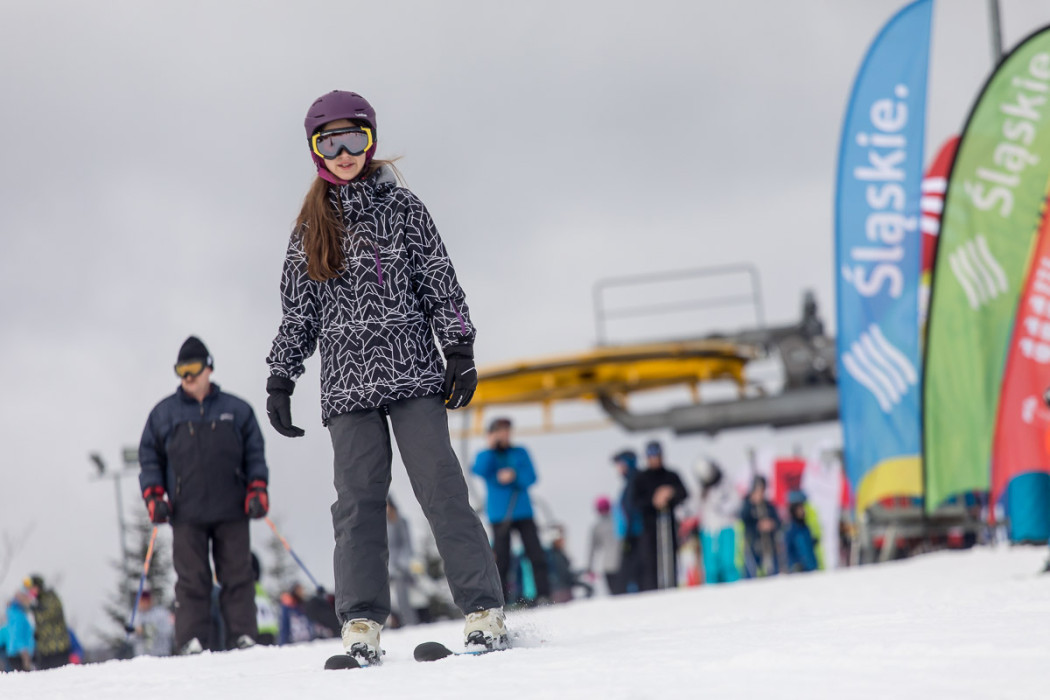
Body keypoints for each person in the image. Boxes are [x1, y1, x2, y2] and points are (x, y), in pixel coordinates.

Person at [265, 90, 505, 664]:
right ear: (316, 150)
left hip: (413, 376)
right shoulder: (308, 228)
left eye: (356, 140)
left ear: (370, 143)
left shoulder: (403, 209)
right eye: (332, 143)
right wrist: (281, 378)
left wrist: (460, 347)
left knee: (441, 488)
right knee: (357, 504)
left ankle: (482, 610)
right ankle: (362, 623)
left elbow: (438, 280)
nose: (346, 153)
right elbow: (299, 314)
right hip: (347, 387)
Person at [138, 335, 269, 654]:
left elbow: (254, 453)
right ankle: (192, 641)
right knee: (191, 580)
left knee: (238, 575)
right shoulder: (163, 414)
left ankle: (243, 636)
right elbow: (150, 457)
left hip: (232, 508)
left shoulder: (237, 410)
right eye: (181, 370)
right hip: (187, 512)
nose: (188, 377)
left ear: (209, 368)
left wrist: (257, 488)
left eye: (193, 368)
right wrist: (154, 497)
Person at [473, 417, 551, 606]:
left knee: (535, 554)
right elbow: (478, 469)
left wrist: (514, 476)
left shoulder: (520, 452)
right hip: (500, 515)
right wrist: (491, 447)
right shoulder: (486, 455)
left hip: (523, 511)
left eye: (507, 430)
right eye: (500, 430)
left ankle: (544, 595)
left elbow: (531, 477)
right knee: (502, 558)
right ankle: (503, 600)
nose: (505, 434)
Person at [631, 441, 688, 591]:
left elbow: (684, 493)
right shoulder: (640, 478)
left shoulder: (671, 476)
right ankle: (654, 599)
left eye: (657, 456)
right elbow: (635, 502)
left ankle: (673, 590)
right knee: (650, 565)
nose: (655, 459)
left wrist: (670, 493)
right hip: (649, 529)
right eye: (651, 456)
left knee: (671, 563)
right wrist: (653, 500)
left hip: (669, 527)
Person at [693, 457, 742, 585]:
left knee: (728, 564)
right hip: (709, 531)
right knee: (711, 568)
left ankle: (733, 589)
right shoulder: (702, 490)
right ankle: (712, 594)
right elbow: (694, 507)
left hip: (725, 527)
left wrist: (722, 506)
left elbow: (736, 501)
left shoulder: (725, 483)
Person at [611, 449, 645, 594]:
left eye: (620, 464)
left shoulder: (635, 481)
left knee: (633, 575)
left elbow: (633, 510)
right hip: (631, 535)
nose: (618, 469)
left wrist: (629, 535)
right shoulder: (629, 483)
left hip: (636, 535)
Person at [741, 475, 781, 577]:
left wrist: (771, 524)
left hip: (768, 546)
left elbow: (778, 521)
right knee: (751, 574)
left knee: (772, 573)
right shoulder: (747, 505)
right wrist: (758, 526)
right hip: (753, 546)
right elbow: (744, 520)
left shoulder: (768, 506)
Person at [28, 574, 71, 669]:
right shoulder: (38, 601)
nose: (31, 591)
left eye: (33, 588)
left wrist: (37, 609)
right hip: (45, 651)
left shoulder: (50, 597)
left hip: (58, 648)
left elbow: (51, 615)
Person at [386, 499, 418, 627]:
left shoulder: (400, 522)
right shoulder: (382, 524)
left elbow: (407, 545)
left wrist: (401, 564)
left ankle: (410, 623)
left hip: (400, 568)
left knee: (403, 599)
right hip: (388, 567)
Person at [586, 496, 622, 595]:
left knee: (616, 596)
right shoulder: (619, 521)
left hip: (608, 566)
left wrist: (589, 568)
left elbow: (592, 549)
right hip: (622, 563)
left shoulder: (597, 527)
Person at [784, 491, 822, 573]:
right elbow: (788, 552)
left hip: (812, 569)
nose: (803, 511)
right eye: (799, 508)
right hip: (800, 573)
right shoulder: (790, 530)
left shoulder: (805, 527)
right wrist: (795, 565)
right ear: (793, 510)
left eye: (803, 507)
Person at [3, 582, 36, 672]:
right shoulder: (17, 615)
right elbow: (17, 635)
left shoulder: (19, 613)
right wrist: (24, 654)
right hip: (20, 656)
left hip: (20, 654)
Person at [131, 590, 174, 657]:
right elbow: (128, 637)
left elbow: (169, 630)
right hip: (142, 657)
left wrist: (149, 629)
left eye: (146, 600)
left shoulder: (161, 613)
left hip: (161, 654)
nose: (144, 603)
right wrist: (136, 632)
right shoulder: (134, 616)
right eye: (141, 600)